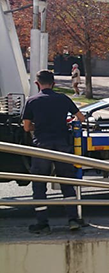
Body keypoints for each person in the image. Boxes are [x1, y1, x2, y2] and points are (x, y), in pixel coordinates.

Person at [21, 70, 86, 233]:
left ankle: (43, 223)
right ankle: (72, 219)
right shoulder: (63, 99)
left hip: (42, 146)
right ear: (54, 83)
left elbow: (27, 127)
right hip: (62, 145)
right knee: (67, 183)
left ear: (37, 84)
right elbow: (81, 118)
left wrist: (39, 127)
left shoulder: (32, 101)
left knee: (39, 185)